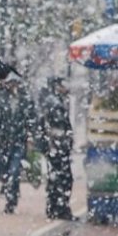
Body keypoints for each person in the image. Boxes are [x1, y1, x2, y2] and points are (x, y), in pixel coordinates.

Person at [0, 73, 39, 214]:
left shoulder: (25, 100)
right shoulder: (0, 100)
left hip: (18, 142)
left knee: (14, 171)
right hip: (3, 142)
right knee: (6, 171)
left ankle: (11, 201)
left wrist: (31, 135)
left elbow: (32, 119)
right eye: (10, 83)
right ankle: (8, 194)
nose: (13, 86)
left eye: (15, 83)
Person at [39, 77, 76, 221]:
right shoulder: (55, 103)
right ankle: (59, 208)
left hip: (55, 146)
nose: (66, 87)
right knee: (63, 178)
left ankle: (54, 207)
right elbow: (58, 127)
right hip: (56, 147)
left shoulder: (54, 101)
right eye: (62, 85)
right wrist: (64, 140)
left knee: (56, 178)